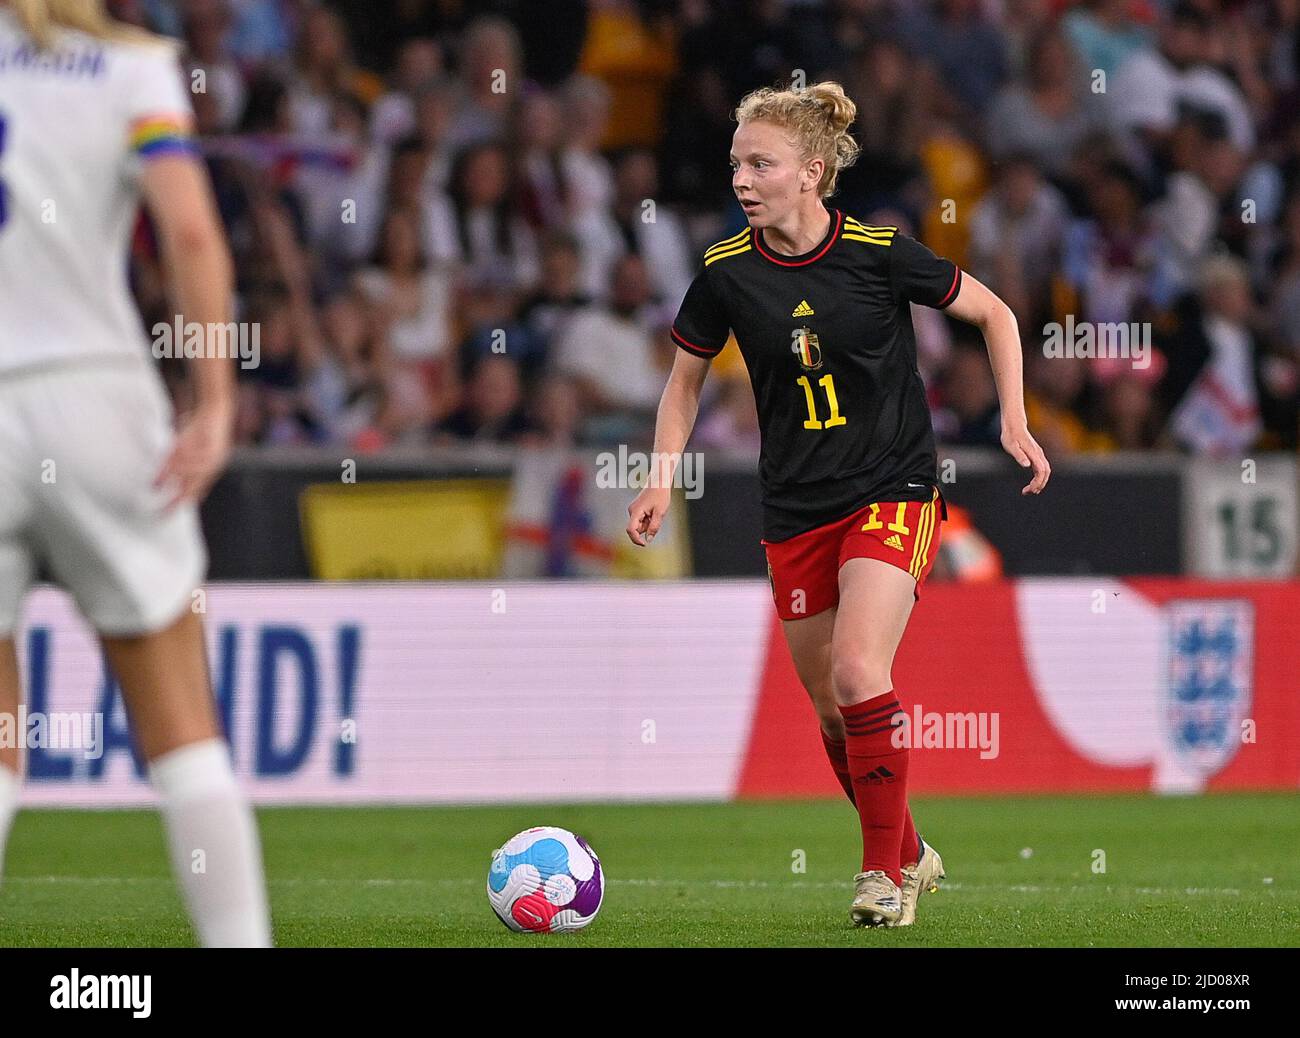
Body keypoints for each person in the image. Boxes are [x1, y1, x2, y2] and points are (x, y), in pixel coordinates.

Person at [626, 81, 1050, 927]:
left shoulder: (879, 251)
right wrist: (660, 473)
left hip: (892, 487)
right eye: (737, 164)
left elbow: (996, 314)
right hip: (794, 508)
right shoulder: (725, 272)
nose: (742, 180)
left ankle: (880, 882)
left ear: (812, 172)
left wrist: (1014, 419)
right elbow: (684, 381)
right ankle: (911, 853)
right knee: (831, 709)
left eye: (761, 164)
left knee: (861, 671)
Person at [0, 0, 271, 946]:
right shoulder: (132, 68)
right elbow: (192, 235)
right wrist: (214, 398)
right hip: (93, 396)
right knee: (183, 734)